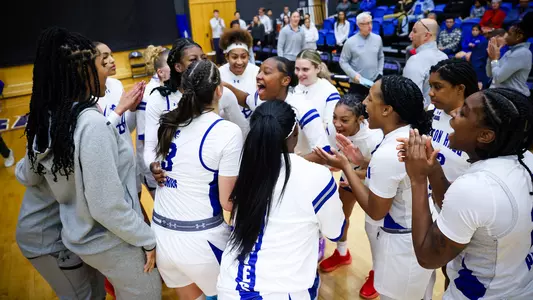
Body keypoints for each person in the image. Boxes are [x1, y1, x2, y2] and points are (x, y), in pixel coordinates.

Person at [25, 27, 161, 299]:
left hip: (81, 234)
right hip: (110, 239)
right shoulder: (90, 122)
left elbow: (36, 175)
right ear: (82, 73)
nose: (107, 70)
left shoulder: (57, 115)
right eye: (101, 63)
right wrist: (146, 238)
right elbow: (106, 205)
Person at [398, 88, 533, 299]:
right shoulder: (526, 161)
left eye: (463, 113)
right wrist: (433, 170)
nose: (453, 113)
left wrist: (418, 179)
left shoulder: (475, 187)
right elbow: (468, 214)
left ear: (485, 135)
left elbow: (428, 257)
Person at [314, 75, 434, 300]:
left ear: (387, 109)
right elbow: (397, 176)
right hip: (414, 239)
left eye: (370, 99)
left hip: (400, 245)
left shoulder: (389, 151)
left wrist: (346, 168)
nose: (365, 104)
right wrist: (359, 161)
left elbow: (376, 210)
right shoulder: (404, 137)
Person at [216, 100, 345, 300]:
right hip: (281, 290)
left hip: (230, 285)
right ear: (295, 133)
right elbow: (336, 232)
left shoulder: (247, 167)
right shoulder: (317, 176)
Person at [150, 59, 242, 300]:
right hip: (200, 241)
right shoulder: (227, 132)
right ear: (219, 90)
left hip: (162, 235)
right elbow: (228, 203)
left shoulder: (169, 121)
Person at [318, 94, 383, 300]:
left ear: (360, 120)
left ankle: (378, 273)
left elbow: (379, 172)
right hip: (348, 179)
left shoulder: (374, 138)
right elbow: (329, 154)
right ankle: (342, 253)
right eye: (335, 117)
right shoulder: (331, 129)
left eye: (344, 120)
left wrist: (352, 172)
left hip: (374, 184)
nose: (337, 124)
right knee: (340, 217)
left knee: (374, 230)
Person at [15, 154, 106, 300]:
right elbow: (28, 175)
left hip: (77, 231)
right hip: (46, 237)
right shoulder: (49, 138)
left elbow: (26, 174)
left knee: (97, 291)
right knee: (80, 296)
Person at [427, 58, 479, 288]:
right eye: (430, 86)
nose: (431, 93)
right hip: (437, 204)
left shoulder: (478, 123)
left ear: (460, 89)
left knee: (461, 276)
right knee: (447, 269)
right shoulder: (432, 113)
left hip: (467, 213)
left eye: (438, 87)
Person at [223, 56, 331, 161]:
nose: (258, 76)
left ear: (285, 80)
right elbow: (246, 99)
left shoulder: (303, 108)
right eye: (259, 71)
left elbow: (324, 152)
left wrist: (290, 164)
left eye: (266, 72)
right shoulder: (262, 99)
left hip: (296, 172)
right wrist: (223, 85)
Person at [144, 38, 205, 168]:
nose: (201, 63)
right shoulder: (159, 98)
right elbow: (150, 146)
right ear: (178, 67)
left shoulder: (217, 92)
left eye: (203, 58)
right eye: (193, 60)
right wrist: (152, 165)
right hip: (175, 174)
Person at [137, 45, 171, 199]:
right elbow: (145, 140)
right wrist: (152, 165)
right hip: (155, 165)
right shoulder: (149, 95)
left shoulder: (173, 89)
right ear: (160, 71)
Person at [219, 28, 260, 129]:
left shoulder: (257, 72)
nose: (239, 62)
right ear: (227, 57)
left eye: (243, 56)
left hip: (253, 128)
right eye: (234, 57)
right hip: (228, 130)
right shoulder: (219, 74)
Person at [403, 18, 448, 109]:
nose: (410, 35)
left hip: (422, 118)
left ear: (426, 36)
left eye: (414, 31)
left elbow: (410, 100)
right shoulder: (445, 57)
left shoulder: (416, 60)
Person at [487, 13, 532, 97]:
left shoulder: (522, 53)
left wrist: (494, 60)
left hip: (513, 98)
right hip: (501, 95)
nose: (506, 37)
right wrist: (491, 57)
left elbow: (498, 78)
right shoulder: (510, 52)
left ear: (519, 36)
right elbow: (490, 74)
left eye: (509, 34)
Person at [340, 12, 384, 97]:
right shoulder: (350, 42)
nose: (370, 26)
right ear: (359, 25)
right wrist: (354, 75)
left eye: (371, 22)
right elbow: (343, 62)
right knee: (357, 109)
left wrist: (380, 72)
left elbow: (381, 57)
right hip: (357, 83)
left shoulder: (378, 39)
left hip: (374, 81)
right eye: (367, 23)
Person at [294, 49, 339, 130]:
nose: (300, 74)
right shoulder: (297, 88)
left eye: (305, 69)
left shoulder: (330, 92)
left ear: (317, 68)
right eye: (297, 69)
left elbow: (330, 127)